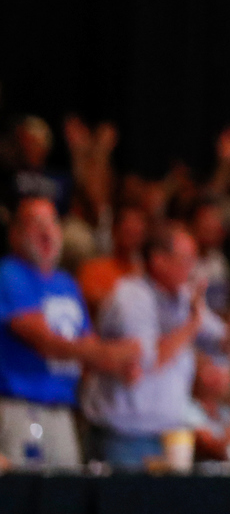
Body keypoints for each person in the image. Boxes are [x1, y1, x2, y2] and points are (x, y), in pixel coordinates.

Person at [82, 221, 230, 469]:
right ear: (159, 260)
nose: (193, 267)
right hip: (124, 436)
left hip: (168, 435)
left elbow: (226, 346)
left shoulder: (183, 299)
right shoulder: (131, 297)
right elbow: (147, 362)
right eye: (186, 259)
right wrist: (191, 325)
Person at [0, 197, 141, 467]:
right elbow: (46, 342)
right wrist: (110, 353)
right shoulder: (9, 274)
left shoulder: (66, 283)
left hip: (63, 410)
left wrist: (118, 364)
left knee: (64, 496)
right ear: (15, 234)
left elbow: (87, 343)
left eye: (52, 222)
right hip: (20, 408)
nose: (46, 230)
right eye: (35, 223)